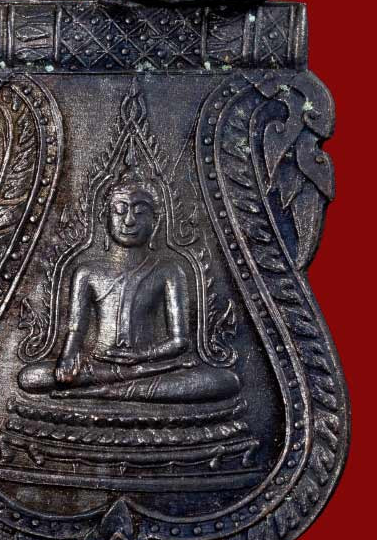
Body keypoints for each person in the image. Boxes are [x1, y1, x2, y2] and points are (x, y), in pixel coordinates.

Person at [18, 167, 239, 403]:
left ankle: (110, 390)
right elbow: (76, 330)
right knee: (32, 377)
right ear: (104, 218)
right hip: (99, 366)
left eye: (140, 212)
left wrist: (142, 356)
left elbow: (180, 341)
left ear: (156, 221)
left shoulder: (169, 270)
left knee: (223, 381)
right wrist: (67, 358)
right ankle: (127, 384)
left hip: (151, 364)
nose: (129, 220)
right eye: (119, 210)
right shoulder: (87, 272)